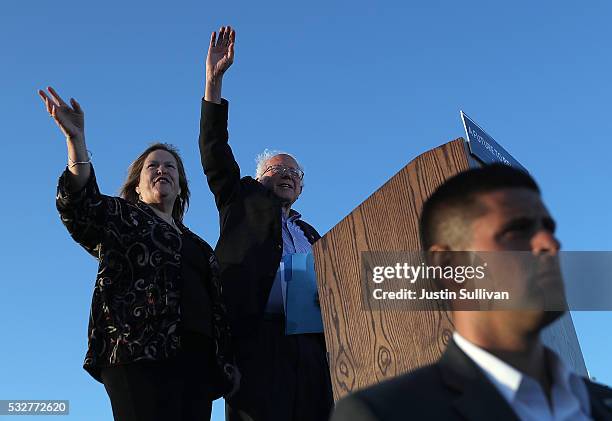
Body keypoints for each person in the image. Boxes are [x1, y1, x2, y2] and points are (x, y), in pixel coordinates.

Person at [331, 164, 612, 421]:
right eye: (517, 230)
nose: (550, 243)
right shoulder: (385, 414)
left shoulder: (602, 402)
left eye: (548, 227)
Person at [39, 86, 238, 421]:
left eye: (171, 167)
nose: (162, 170)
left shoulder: (200, 247)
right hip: (135, 354)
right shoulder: (122, 217)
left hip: (196, 363)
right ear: (136, 186)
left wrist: (226, 362)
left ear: (181, 187)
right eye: (153, 166)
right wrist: (76, 143)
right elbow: (81, 207)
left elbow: (217, 309)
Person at [198, 26, 334, 421]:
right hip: (256, 340)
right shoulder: (241, 200)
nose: (289, 175)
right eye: (278, 168)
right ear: (260, 178)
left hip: (310, 350)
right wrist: (214, 82)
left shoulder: (313, 236)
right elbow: (213, 148)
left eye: (296, 173)